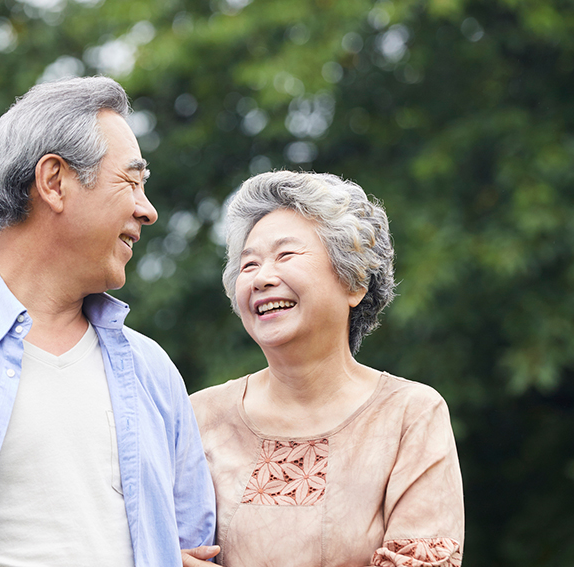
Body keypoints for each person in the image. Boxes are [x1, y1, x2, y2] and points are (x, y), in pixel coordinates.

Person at [0, 76, 217, 567]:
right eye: (132, 181)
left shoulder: (153, 371)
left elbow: (193, 542)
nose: (148, 210)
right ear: (54, 181)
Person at [190, 171, 464, 567]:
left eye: (286, 255)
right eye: (248, 264)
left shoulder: (409, 415)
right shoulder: (199, 417)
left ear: (354, 283)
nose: (262, 278)